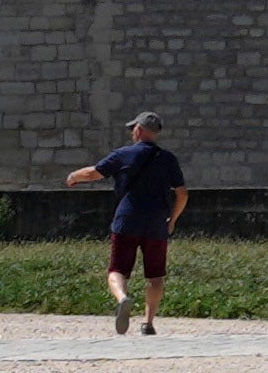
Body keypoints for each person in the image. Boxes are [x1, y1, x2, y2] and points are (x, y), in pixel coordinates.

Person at [67, 116, 189, 332]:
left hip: (127, 220)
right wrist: (172, 220)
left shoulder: (124, 154)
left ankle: (123, 298)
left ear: (139, 130)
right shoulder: (168, 159)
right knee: (155, 276)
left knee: (117, 270)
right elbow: (182, 194)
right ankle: (148, 323)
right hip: (156, 223)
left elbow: (94, 173)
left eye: (133, 128)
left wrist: (74, 176)